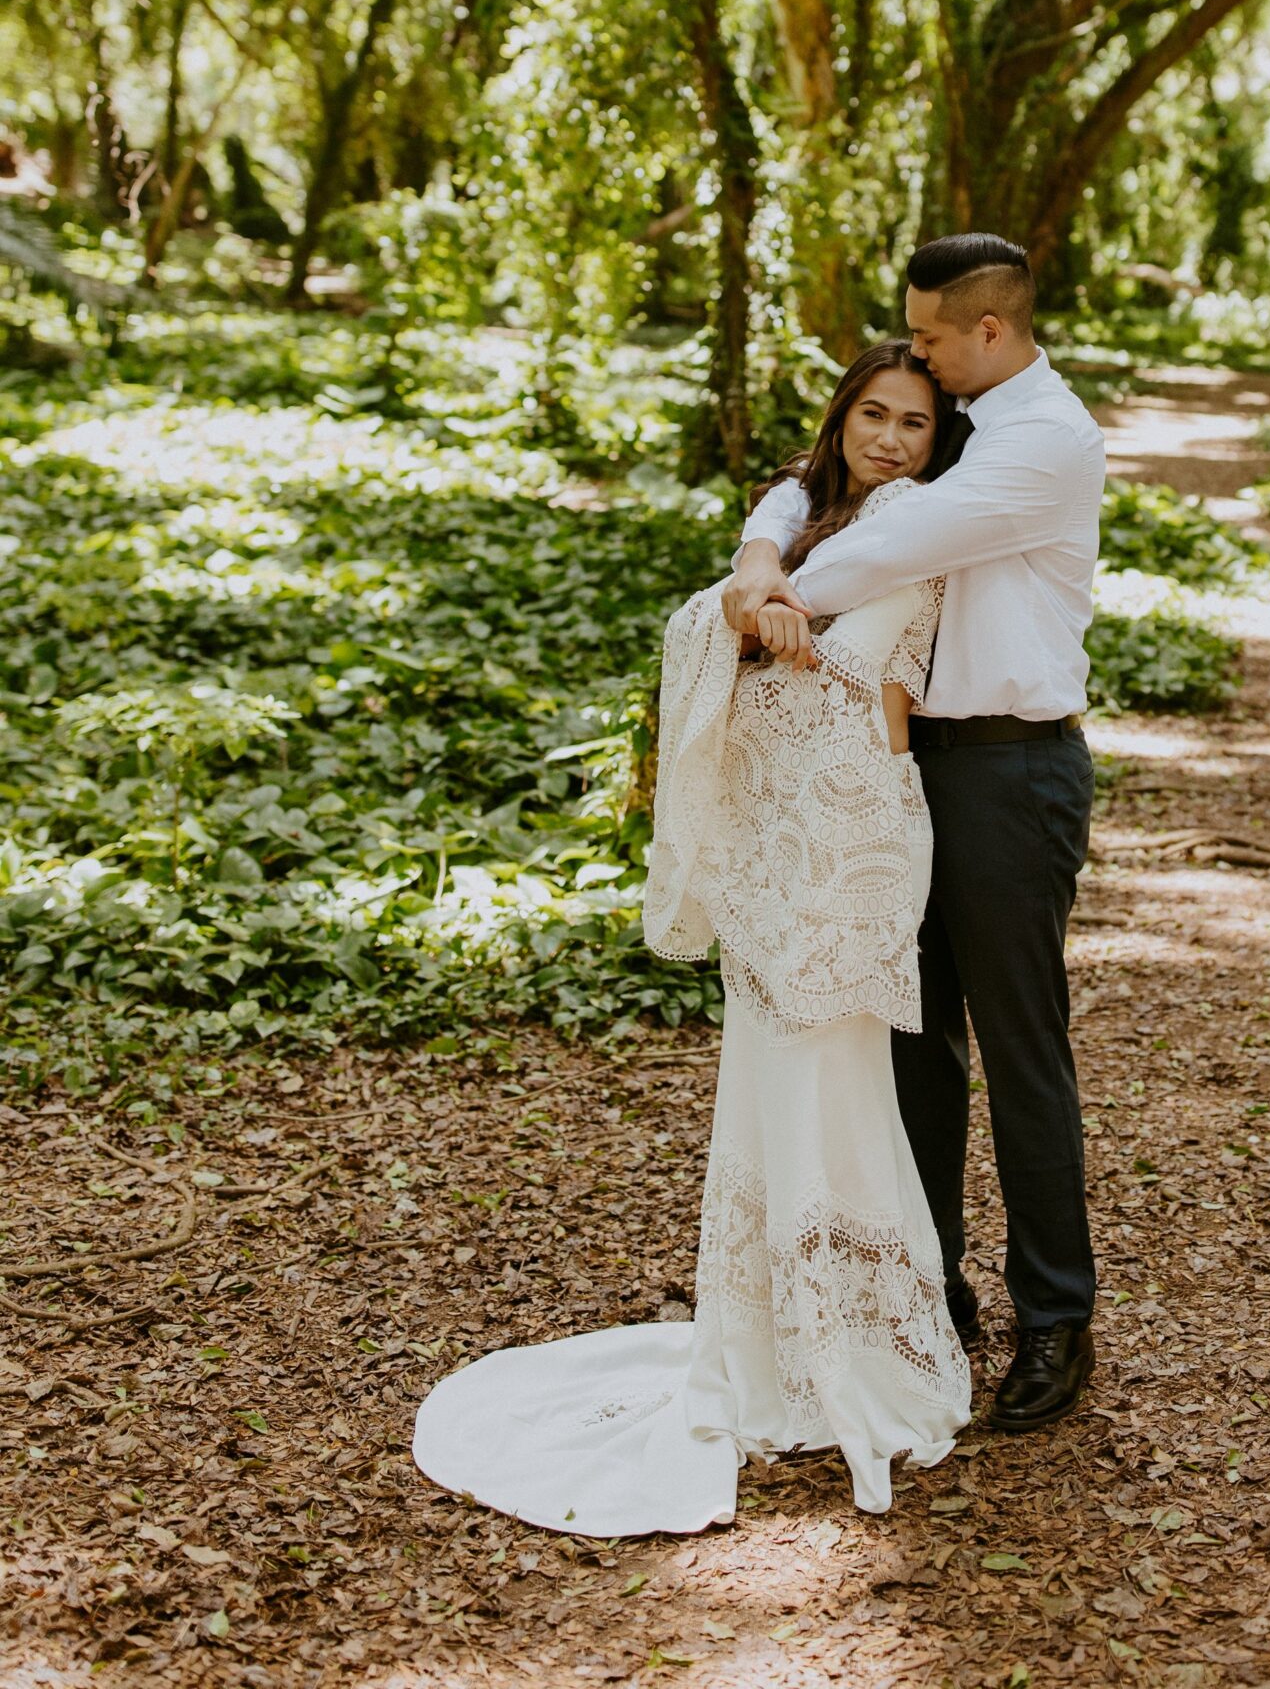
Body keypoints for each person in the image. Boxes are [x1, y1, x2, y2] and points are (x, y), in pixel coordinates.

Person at [413, 341, 971, 1536]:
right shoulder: (804, 511)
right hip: (774, 842)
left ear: (938, 440)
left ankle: (852, 1339)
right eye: (872, 414)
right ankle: (771, 1338)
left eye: (914, 422)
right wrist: (756, 591)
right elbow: (754, 597)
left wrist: (769, 604)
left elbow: (872, 685)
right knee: (772, 1083)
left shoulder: (917, 527)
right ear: (842, 418)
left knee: (843, 1078)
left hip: (855, 836)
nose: (890, 437)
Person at [726, 234, 1105, 1432]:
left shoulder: (1044, 441)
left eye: (933, 337)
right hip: (908, 775)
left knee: (1020, 1048)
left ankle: (1057, 1317)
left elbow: (894, 541)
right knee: (913, 1041)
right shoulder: (972, 413)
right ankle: (931, 1285)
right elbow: (821, 467)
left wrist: (774, 587)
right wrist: (759, 542)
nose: (923, 366)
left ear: (986, 331)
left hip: (1009, 769)